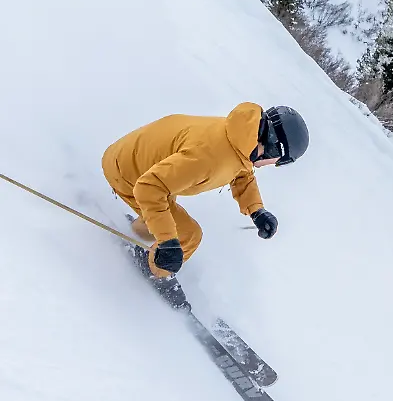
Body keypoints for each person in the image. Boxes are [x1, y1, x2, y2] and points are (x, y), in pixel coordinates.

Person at [102, 103, 309, 278]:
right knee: (189, 235)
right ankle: (156, 272)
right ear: (275, 148)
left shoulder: (240, 136)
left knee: (165, 215)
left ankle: (135, 232)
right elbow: (148, 188)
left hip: (137, 160)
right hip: (129, 173)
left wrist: (256, 210)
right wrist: (168, 242)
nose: (274, 164)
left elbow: (241, 172)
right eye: (280, 161)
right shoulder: (211, 158)